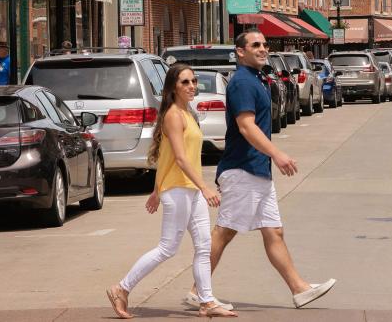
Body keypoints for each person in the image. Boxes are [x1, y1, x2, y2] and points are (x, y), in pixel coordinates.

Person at [207, 31, 336, 309]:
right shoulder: (242, 82)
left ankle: (299, 289)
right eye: (256, 45)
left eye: (265, 44)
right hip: (242, 169)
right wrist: (277, 154)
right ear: (240, 51)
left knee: (274, 232)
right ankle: (200, 291)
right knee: (224, 231)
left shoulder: (256, 78)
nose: (263, 49)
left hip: (257, 170)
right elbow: (246, 126)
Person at [107, 64, 236, 319]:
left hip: (186, 189)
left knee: (203, 245)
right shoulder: (174, 115)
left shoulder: (187, 112)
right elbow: (179, 158)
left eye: (193, 81)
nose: (192, 87)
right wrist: (204, 187)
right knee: (168, 248)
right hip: (179, 190)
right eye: (185, 82)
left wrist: (156, 190)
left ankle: (207, 302)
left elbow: (164, 156)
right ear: (173, 88)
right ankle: (121, 288)